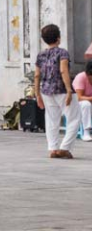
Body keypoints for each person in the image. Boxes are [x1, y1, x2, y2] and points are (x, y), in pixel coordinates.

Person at [35, 23, 80, 158]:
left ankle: (53, 148)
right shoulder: (62, 52)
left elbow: (37, 75)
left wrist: (37, 94)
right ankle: (65, 148)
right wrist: (68, 90)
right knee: (73, 118)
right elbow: (63, 70)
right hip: (61, 89)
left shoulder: (41, 55)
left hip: (46, 91)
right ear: (58, 38)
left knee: (51, 119)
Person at [73, 60, 92, 142]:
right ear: (88, 74)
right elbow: (79, 97)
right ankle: (86, 132)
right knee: (86, 104)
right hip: (77, 103)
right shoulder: (80, 77)